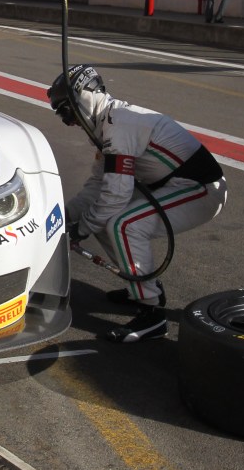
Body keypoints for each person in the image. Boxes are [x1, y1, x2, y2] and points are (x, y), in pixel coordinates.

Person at [48, 64, 227, 342]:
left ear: (83, 98)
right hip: (173, 185)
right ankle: (142, 287)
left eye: (65, 110)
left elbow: (115, 196)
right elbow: (97, 187)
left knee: (124, 224)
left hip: (200, 189)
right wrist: (62, 217)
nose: (65, 120)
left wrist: (79, 229)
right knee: (104, 219)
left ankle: (152, 313)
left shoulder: (119, 125)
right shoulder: (106, 125)